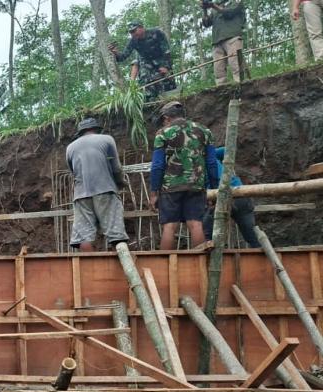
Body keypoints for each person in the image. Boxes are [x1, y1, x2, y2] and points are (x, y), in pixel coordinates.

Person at [150, 102, 219, 250]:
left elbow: (157, 166)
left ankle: (165, 267)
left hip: (170, 188)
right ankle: (198, 266)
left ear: (167, 118)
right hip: (196, 185)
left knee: (169, 227)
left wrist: (154, 192)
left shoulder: (162, 134)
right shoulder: (205, 131)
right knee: (196, 224)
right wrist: (214, 188)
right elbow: (212, 163)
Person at [65, 118, 129, 252]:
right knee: (116, 235)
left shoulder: (70, 147)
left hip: (81, 195)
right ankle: (117, 270)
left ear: (80, 132)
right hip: (105, 189)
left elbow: (74, 172)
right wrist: (120, 183)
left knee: (84, 237)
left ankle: (90, 271)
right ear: (97, 129)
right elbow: (116, 168)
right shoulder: (106, 139)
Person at [202, 146, 260, 247]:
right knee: (250, 233)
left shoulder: (191, 164)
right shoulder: (208, 154)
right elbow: (227, 149)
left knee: (207, 233)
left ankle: (210, 256)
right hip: (238, 193)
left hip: (227, 196)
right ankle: (259, 250)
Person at [108, 22, 176, 100]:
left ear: (142, 28)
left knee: (167, 82)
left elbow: (166, 51)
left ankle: (171, 99)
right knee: (145, 80)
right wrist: (115, 52)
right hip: (147, 63)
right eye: (131, 32)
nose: (133, 34)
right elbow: (122, 57)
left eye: (134, 31)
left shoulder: (156, 33)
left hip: (161, 60)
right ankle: (149, 100)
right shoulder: (133, 41)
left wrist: (166, 66)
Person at [202, 0, 246, 86]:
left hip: (232, 37)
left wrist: (213, 6)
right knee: (218, 71)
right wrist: (205, 9)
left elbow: (229, 13)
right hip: (217, 42)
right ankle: (222, 93)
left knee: (236, 66)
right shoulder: (216, 5)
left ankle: (240, 89)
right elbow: (206, 23)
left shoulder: (236, 2)